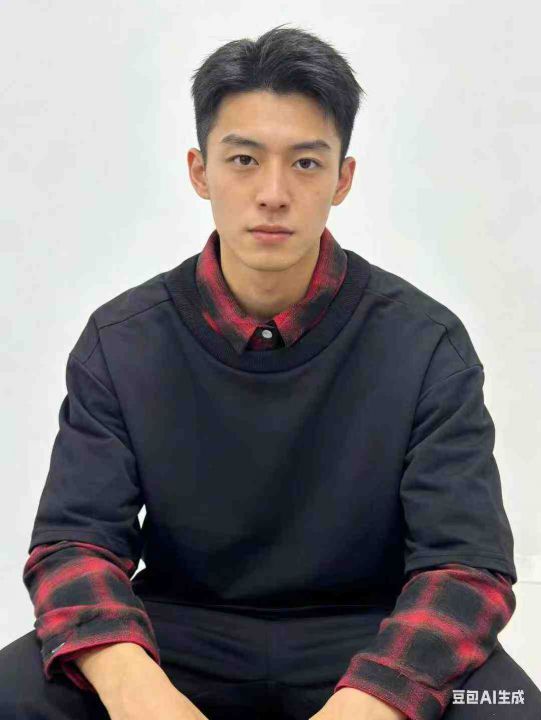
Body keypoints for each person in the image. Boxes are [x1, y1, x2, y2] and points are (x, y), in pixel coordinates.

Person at [1, 23, 540, 720]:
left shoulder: (425, 343)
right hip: (176, 635)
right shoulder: (122, 340)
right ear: (200, 171)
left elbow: (466, 568)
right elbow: (73, 546)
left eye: (306, 163)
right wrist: (138, 692)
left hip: (370, 638)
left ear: (343, 178)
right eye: (244, 160)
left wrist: (374, 700)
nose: (273, 193)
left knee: (508, 706)